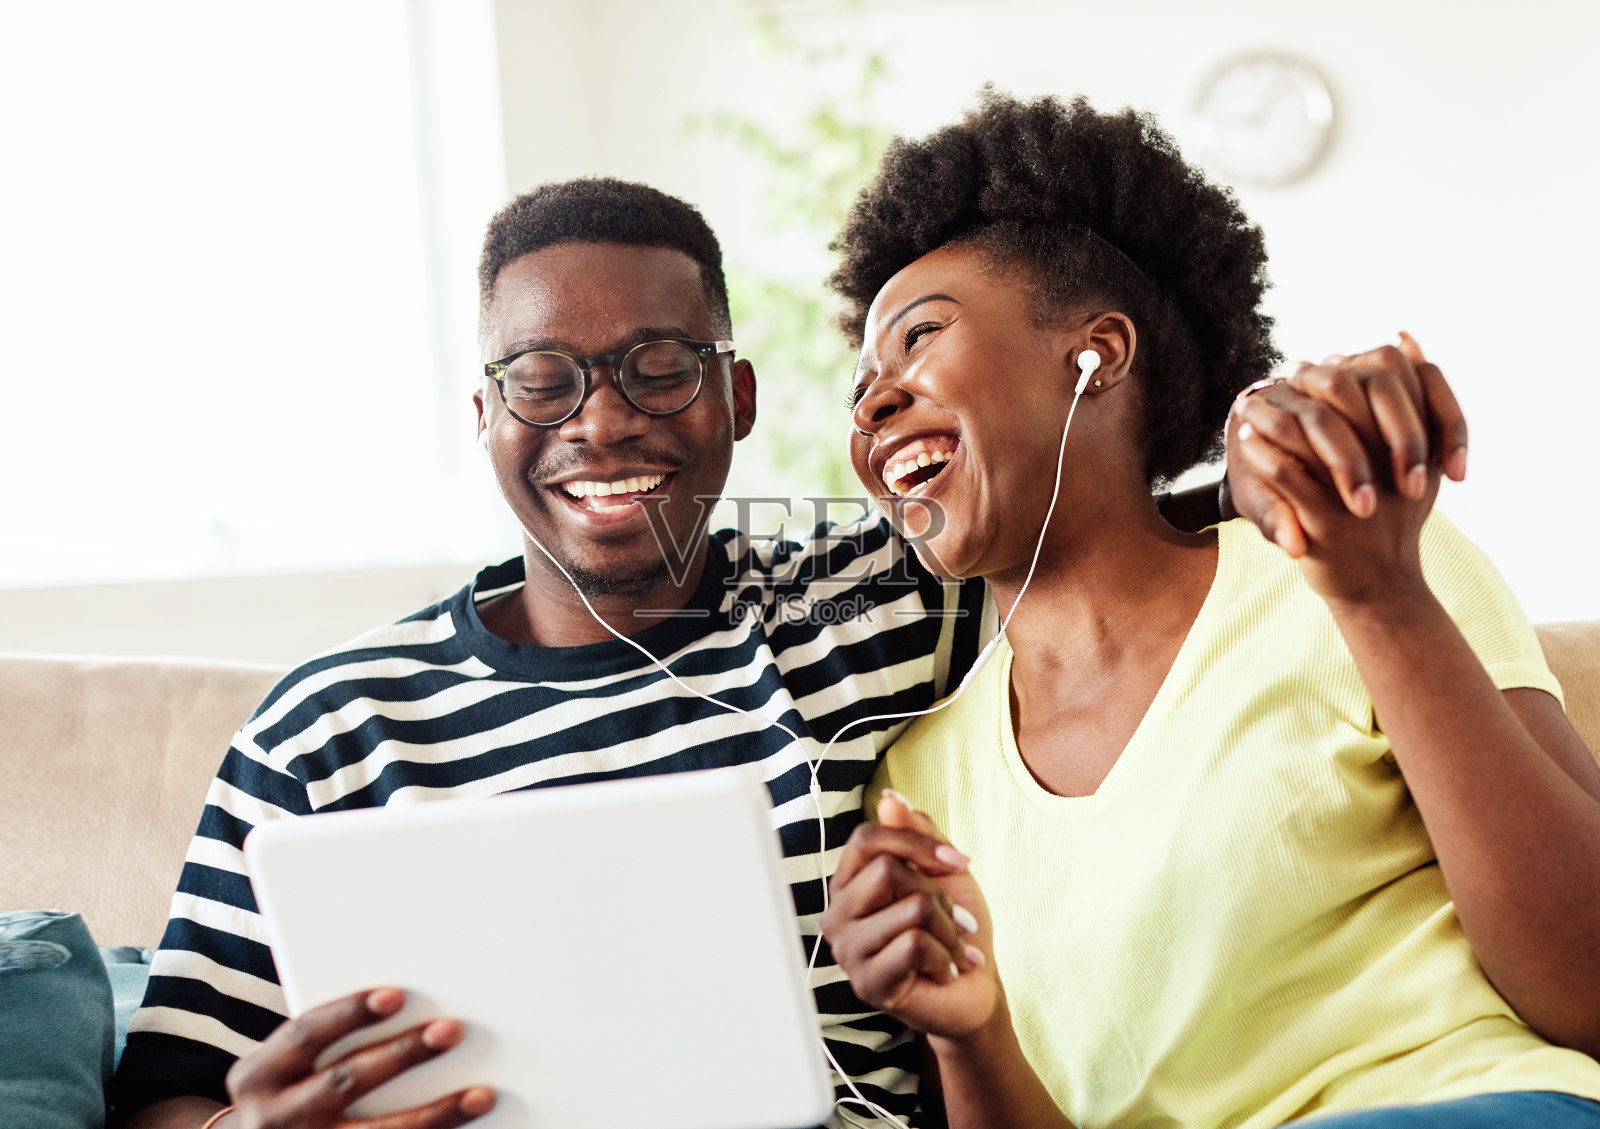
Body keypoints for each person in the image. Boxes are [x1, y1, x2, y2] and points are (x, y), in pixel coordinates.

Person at [108, 175, 1448, 1129]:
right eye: (542, 378)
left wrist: (1279, 438)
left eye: (657, 365)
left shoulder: (880, 602)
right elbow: (165, 1091)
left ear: (737, 399)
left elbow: (1095, 524)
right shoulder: (331, 725)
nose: (602, 421)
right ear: (484, 411)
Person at [819, 91, 1600, 1129]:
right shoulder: (921, 785)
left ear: (1097, 353)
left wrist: (1379, 600)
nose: (873, 400)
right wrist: (972, 1033)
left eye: (920, 336)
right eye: (861, 383)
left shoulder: (1338, 558)